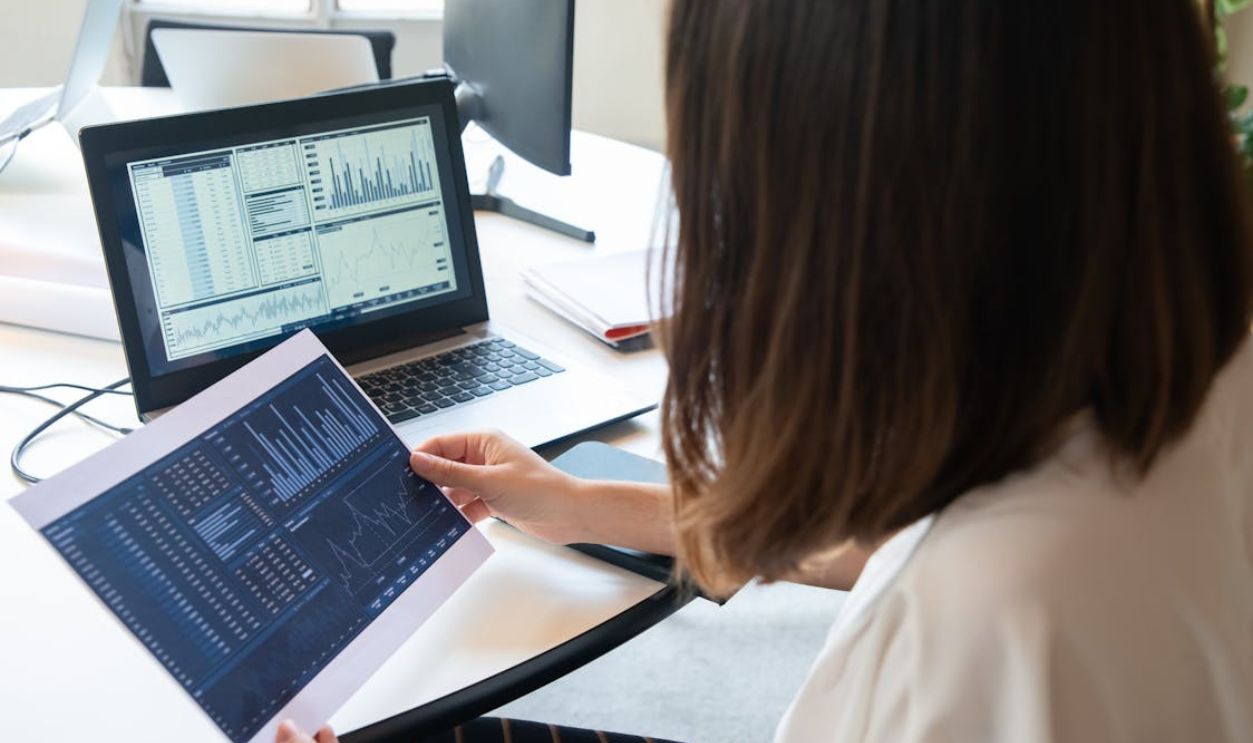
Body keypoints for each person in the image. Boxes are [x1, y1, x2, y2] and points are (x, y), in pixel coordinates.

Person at [278, 0, 1253, 741]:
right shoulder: (1195, 371)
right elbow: (896, 535)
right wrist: (581, 502)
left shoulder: (960, 640)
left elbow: (925, 571)